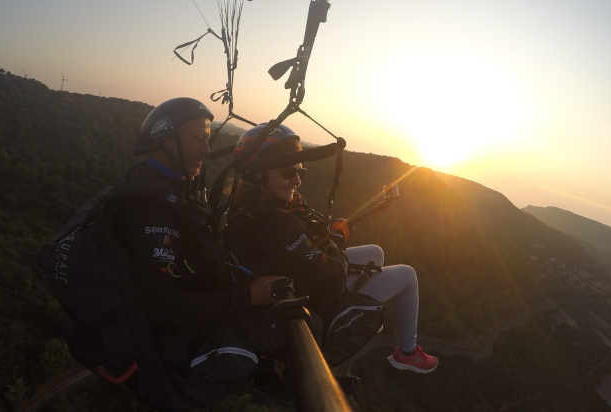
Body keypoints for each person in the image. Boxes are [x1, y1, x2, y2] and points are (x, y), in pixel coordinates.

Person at [74, 98, 287, 411]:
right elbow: (162, 305)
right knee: (260, 330)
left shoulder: (157, 182)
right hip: (153, 350)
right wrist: (246, 296)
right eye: (197, 139)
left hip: (154, 325)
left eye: (208, 139)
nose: (206, 148)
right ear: (165, 139)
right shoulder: (150, 207)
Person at [223, 123, 439, 381]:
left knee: (376, 253)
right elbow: (331, 279)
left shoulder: (248, 207)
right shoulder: (275, 221)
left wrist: (318, 232)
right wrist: (337, 237)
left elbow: (300, 251)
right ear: (258, 174)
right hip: (313, 299)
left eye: (301, 171)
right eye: (289, 171)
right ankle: (408, 354)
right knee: (407, 276)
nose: (297, 180)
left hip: (295, 278)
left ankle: (397, 332)